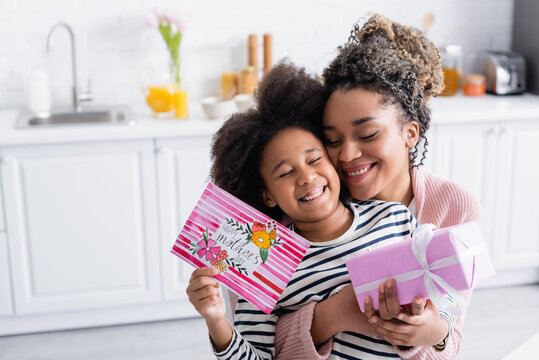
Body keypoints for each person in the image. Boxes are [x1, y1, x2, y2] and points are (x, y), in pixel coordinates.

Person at [273, 14, 482, 360]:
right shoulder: (307, 204)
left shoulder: (454, 207)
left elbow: (450, 335)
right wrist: (332, 315)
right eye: (333, 140)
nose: (348, 155)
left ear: (410, 133)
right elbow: (257, 344)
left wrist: (430, 333)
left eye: (368, 134)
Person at [185, 61, 419, 359]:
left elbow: (438, 301)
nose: (306, 177)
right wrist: (217, 321)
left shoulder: (394, 219)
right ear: (267, 196)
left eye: (314, 160)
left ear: (333, 162)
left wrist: (430, 325)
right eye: (285, 173)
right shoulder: (266, 267)